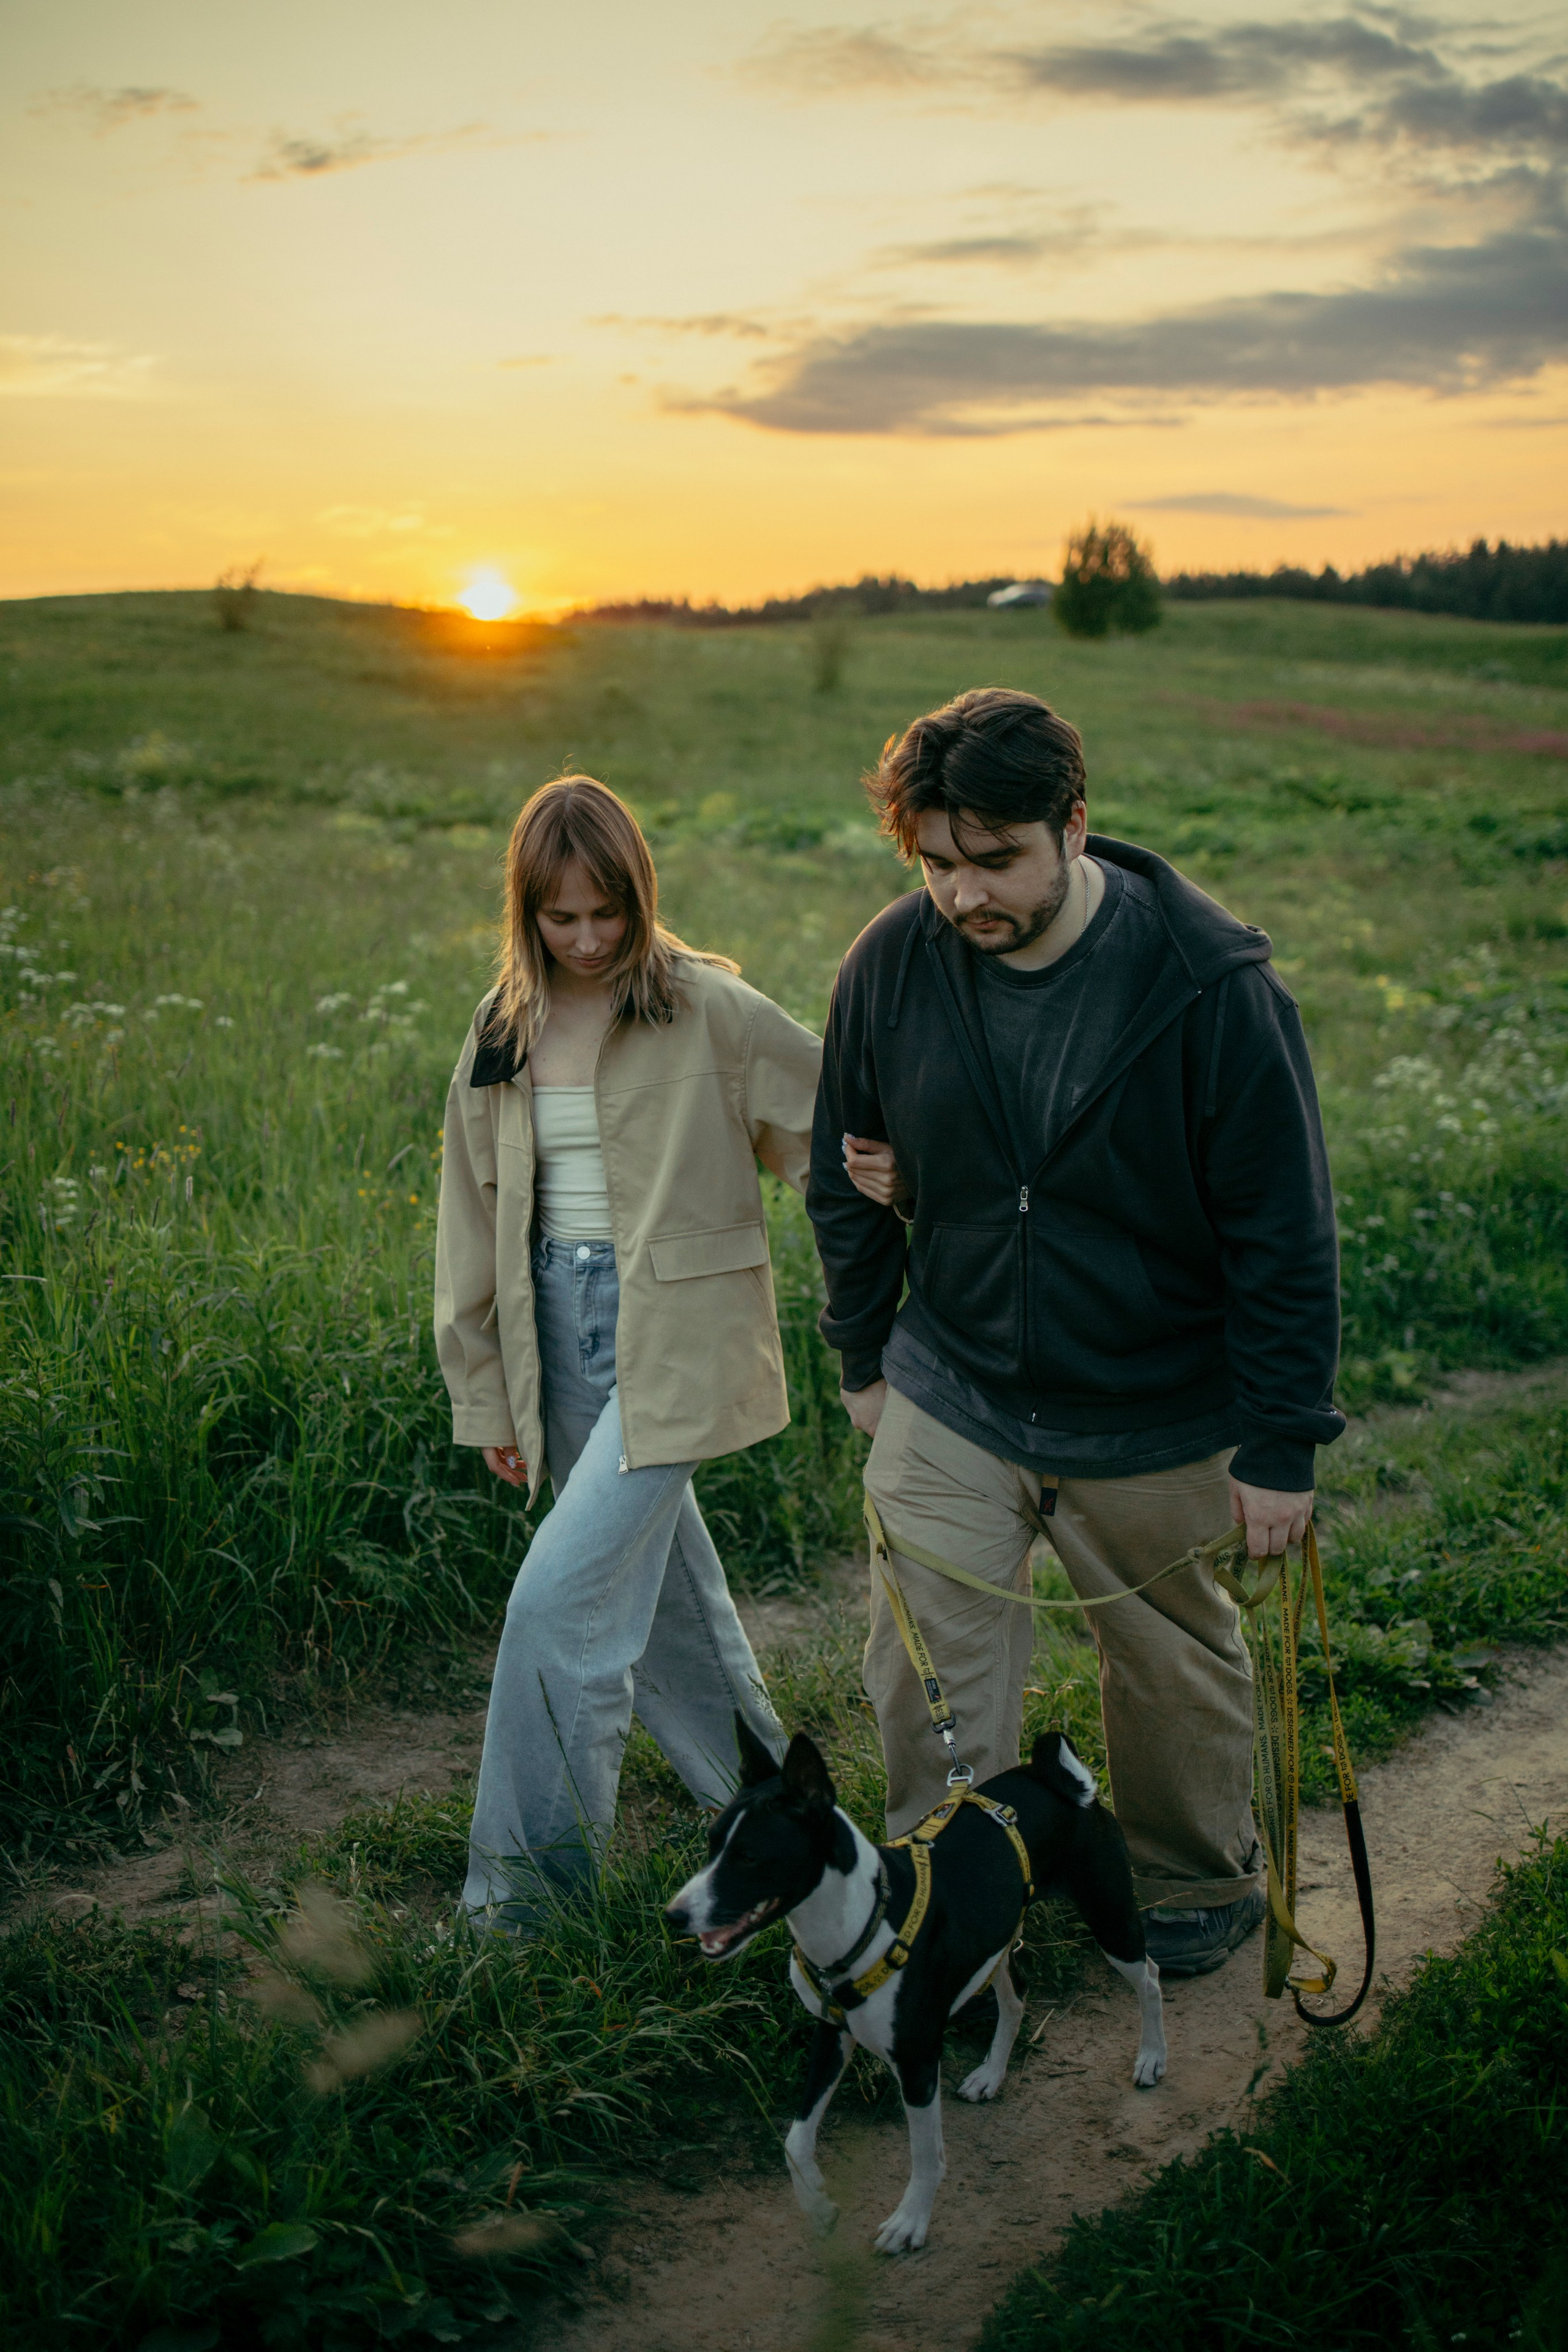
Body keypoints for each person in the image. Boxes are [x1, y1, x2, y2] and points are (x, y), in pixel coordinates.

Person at [807, 689, 1344, 1978]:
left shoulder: (1207, 984)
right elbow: (844, 1170)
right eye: (936, 864)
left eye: (993, 861)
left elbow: (1283, 1227)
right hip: (952, 1384)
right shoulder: (890, 962)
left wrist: (1278, 1442)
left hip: (1153, 1402)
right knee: (919, 1658)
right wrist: (864, 1358)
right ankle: (944, 1896)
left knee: (1167, 1663)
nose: (960, 894)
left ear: (1074, 829)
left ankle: (1188, 1883)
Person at [435, 774, 821, 1930]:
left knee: (561, 1607)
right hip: (552, 1328)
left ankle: (525, 1914)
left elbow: (841, 1134)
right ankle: (778, 1804)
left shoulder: (709, 1008)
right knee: (671, 1599)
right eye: (563, 918)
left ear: (641, 897)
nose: (592, 940)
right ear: (527, 912)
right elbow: (472, 1211)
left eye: (611, 911)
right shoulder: (502, 1025)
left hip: (678, 1334)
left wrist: (879, 1216)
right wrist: (488, 1391)